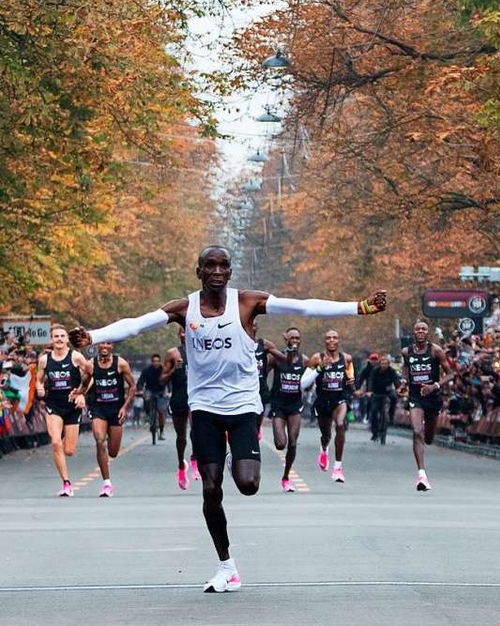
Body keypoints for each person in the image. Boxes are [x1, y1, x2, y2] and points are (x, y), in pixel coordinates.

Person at [70, 244, 385, 592]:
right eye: (210, 266)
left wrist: (360, 307)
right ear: (199, 271)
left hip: (243, 407)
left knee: (248, 484)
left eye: (223, 266)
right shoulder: (184, 308)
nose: (217, 271)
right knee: (210, 486)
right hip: (204, 407)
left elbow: (304, 307)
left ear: (230, 272)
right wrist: (94, 336)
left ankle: (237, 453)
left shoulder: (247, 302)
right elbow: (135, 326)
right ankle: (227, 566)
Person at [35, 324, 91, 497]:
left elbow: (92, 376)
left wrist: (82, 394)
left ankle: (65, 438)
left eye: (62, 336)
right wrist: (40, 388)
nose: (59, 339)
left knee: (69, 451)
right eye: (56, 336)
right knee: (55, 442)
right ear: (52, 339)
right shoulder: (45, 360)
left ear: (67, 339)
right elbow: (38, 379)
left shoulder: (76, 357)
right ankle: (66, 483)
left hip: (72, 406)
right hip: (54, 405)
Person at [400, 319, 453, 492]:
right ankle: (422, 475)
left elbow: (450, 374)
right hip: (416, 396)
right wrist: (403, 382)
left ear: (427, 332)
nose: (421, 331)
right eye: (418, 329)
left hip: (433, 397)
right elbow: (406, 369)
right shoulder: (406, 351)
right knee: (416, 432)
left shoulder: (436, 351)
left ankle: (427, 438)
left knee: (428, 438)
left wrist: (434, 386)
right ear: (414, 333)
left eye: (424, 329)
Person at [84, 341, 136, 497]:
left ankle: (108, 461)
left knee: (113, 452)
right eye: (102, 344)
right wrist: (78, 392)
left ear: (112, 346)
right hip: (98, 408)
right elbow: (84, 384)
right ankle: (106, 483)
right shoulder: (90, 364)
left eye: (108, 344)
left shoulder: (120, 363)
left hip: (115, 409)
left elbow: (133, 386)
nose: (104, 347)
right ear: (97, 346)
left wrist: (124, 407)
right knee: (100, 441)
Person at [307, 329, 355, 483]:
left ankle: (338, 468)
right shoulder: (316, 358)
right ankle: (324, 448)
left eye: (335, 337)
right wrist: (320, 367)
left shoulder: (346, 358)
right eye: (329, 338)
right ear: (325, 341)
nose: (332, 340)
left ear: (338, 340)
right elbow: (306, 381)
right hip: (322, 401)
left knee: (340, 425)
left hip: (339, 400)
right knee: (326, 435)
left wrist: (352, 383)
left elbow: (350, 377)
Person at [269, 326, 308, 491]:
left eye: (297, 338)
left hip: (294, 405)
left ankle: (286, 477)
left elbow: (313, 376)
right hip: (278, 404)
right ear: (286, 339)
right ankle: (277, 437)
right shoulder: (277, 358)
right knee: (280, 444)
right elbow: (260, 374)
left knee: (292, 442)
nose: (295, 341)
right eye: (292, 338)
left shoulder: (304, 360)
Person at [161, 328, 200, 489]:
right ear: (179, 334)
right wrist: (173, 370)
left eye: (187, 331)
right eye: (182, 332)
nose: (185, 334)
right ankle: (181, 466)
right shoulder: (172, 354)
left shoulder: (201, 349)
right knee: (181, 437)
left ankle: (195, 460)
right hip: (179, 397)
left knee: (196, 430)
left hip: (197, 396)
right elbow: (162, 380)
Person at [358, 354, 401, 442]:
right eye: (382, 363)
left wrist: (398, 388)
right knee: (373, 410)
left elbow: (396, 381)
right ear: (380, 364)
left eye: (386, 363)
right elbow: (371, 381)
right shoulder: (374, 371)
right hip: (376, 392)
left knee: (394, 398)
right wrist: (369, 391)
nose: (384, 365)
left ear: (388, 364)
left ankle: (391, 415)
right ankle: (374, 432)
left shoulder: (392, 371)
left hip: (387, 391)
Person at [137, 353, 168, 440]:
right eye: (154, 361)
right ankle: (147, 415)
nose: (156, 363)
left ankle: (161, 432)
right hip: (149, 391)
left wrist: (169, 391)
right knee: (146, 398)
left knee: (161, 412)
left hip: (161, 392)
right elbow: (141, 381)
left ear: (160, 361)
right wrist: (139, 389)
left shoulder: (163, 370)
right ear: (152, 362)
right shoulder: (146, 370)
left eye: (157, 361)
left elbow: (168, 381)